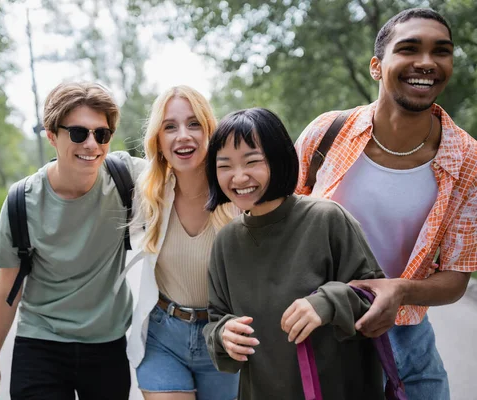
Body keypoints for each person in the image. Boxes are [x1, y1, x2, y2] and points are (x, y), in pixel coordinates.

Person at [294, 8, 477, 399]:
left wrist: (400, 291)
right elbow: (278, 227)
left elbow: (457, 278)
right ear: (377, 66)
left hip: (411, 343)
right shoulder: (327, 134)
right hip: (329, 336)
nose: (426, 62)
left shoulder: (467, 160)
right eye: (409, 48)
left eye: (440, 51)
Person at [0, 81, 146, 400]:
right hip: (41, 342)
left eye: (102, 134)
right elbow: (6, 291)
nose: (92, 145)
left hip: (106, 343)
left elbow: (185, 177)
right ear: (52, 135)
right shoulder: (22, 202)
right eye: (79, 133)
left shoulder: (127, 177)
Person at [203, 107, 385, 400]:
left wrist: (327, 302)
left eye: (252, 161)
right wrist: (223, 335)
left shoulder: (327, 218)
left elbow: (376, 298)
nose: (238, 177)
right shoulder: (225, 242)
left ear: (279, 158)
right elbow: (216, 318)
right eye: (224, 166)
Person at [127, 85, 239, 400]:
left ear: (209, 132)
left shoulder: (236, 194)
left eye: (193, 124)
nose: (183, 136)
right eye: (170, 127)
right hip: (164, 336)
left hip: (222, 338)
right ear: (158, 141)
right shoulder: (150, 194)